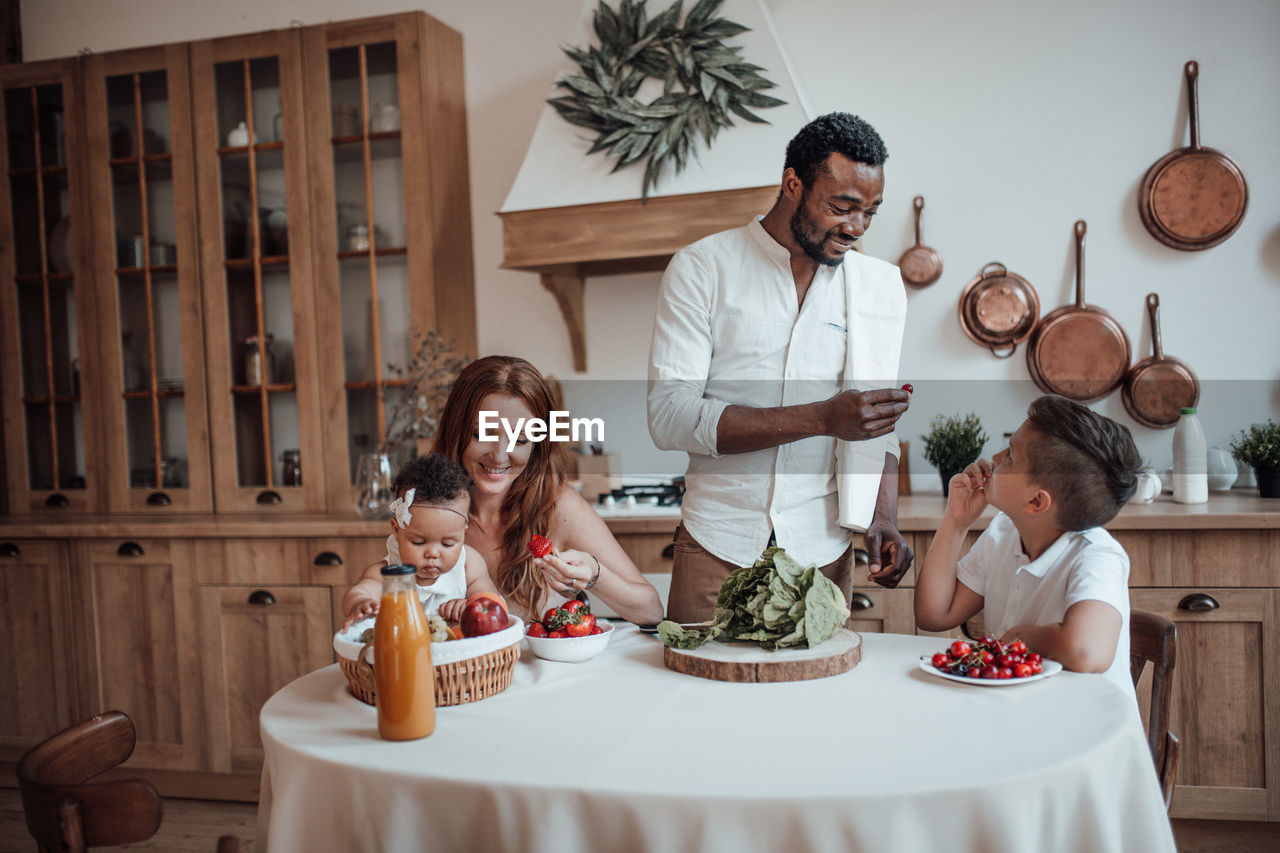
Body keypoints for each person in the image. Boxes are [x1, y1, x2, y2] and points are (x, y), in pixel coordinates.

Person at [648, 112, 913, 623]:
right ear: (793, 183)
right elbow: (669, 416)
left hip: (824, 549)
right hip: (716, 543)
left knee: (816, 700)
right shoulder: (703, 268)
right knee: (699, 696)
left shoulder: (876, 289)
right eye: (842, 207)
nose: (855, 228)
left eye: (871, 213)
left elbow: (875, 419)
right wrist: (820, 418)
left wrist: (884, 517)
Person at [399, 355, 664, 626]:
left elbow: (651, 611)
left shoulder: (559, 507)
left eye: (521, 438)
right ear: (456, 431)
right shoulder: (424, 506)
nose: (500, 455)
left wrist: (594, 575)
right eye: (482, 434)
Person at [913, 395, 1144, 695]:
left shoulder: (1097, 555)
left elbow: (1088, 651)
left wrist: (1018, 636)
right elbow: (933, 615)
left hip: (1086, 728)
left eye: (1010, 455)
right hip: (1020, 715)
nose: (993, 458)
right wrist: (957, 522)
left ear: (1036, 501)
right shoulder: (1004, 532)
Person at [341, 453, 503, 630]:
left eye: (448, 543)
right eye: (418, 542)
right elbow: (359, 592)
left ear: (463, 533)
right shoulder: (386, 574)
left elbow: (492, 600)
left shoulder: (468, 564)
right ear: (396, 530)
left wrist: (471, 605)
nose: (433, 553)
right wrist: (361, 603)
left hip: (460, 652)